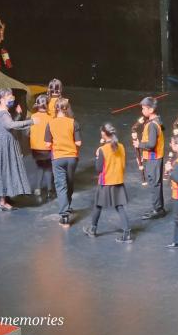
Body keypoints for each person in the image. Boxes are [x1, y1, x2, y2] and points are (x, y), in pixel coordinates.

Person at [0, 88, 38, 211]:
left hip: (3, 145)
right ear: (1, 99)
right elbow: (11, 125)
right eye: (9, 97)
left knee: (5, 169)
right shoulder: (2, 113)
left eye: (12, 96)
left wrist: (18, 114)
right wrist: (31, 121)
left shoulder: (3, 111)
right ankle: (2, 202)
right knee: (3, 170)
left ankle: (5, 197)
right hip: (2, 147)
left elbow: (9, 125)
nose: (12, 99)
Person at [83, 124, 133, 243]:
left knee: (98, 205)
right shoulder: (121, 146)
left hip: (106, 181)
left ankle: (93, 229)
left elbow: (98, 168)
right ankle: (127, 233)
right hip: (118, 180)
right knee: (119, 206)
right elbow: (123, 164)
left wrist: (97, 156)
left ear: (104, 135)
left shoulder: (103, 150)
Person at [44, 98, 81, 226]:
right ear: (67, 108)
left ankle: (64, 216)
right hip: (72, 157)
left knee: (61, 186)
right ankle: (67, 206)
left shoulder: (50, 123)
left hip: (58, 158)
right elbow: (78, 142)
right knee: (70, 183)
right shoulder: (73, 122)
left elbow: (47, 144)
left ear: (56, 109)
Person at [132, 97, 166, 220]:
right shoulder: (156, 120)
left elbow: (151, 144)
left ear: (151, 110)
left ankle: (158, 210)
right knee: (156, 184)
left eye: (144, 108)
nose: (142, 111)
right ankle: (159, 208)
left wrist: (139, 144)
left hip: (153, 158)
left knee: (154, 184)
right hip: (155, 158)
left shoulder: (152, 125)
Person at [29, 94, 54, 200]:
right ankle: (49, 190)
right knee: (48, 168)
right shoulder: (51, 118)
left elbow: (27, 133)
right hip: (47, 148)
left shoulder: (32, 117)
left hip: (35, 148)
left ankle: (37, 189)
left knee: (40, 166)